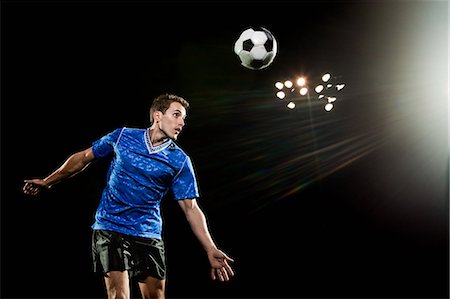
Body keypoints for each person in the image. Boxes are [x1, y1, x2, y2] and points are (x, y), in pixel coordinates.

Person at [22, 93, 235, 299]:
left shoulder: (179, 160)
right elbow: (84, 157)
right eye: (176, 114)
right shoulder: (124, 136)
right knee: (119, 296)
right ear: (157, 116)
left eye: (184, 118)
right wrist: (48, 181)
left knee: (155, 296)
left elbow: (191, 208)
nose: (182, 122)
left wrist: (210, 248)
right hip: (109, 226)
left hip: (147, 232)